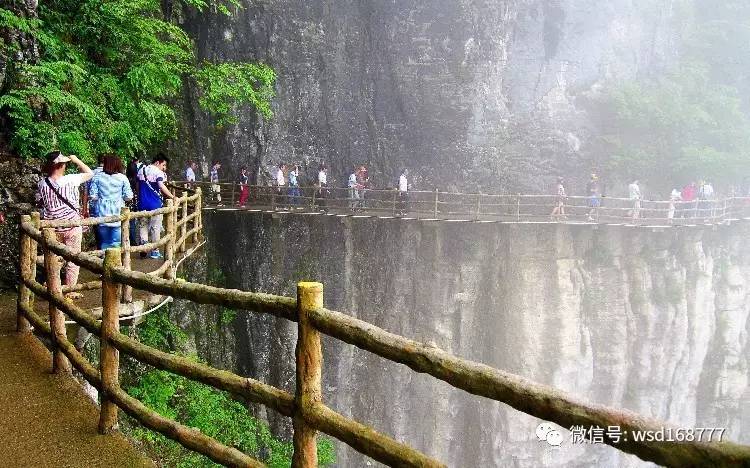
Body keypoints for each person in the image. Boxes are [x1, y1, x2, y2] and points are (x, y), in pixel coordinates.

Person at [35, 151, 94, 299]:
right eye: (65, 164)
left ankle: (52, 286)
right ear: (61, 165)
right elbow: (90, 173)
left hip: (52, 227)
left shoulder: (42, 183)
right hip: (72, 225)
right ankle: (69, 290)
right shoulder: (71, 179)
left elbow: (40, 202)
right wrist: (76, 160)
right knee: (73, 260)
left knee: (54, 258)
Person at [90, 155, 133, 249]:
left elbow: (93, 196)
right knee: (116, 242)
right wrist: (120, 198)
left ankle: (103, 261)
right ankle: (115, 262)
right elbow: (129, 197)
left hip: (102, 212)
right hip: (117, 212)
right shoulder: (122, 178)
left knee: (104, 242)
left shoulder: (97, 176)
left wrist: (102, 198)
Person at [137, 154, 175, 259]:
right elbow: (161, 185)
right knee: (155, 227)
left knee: (143, 225)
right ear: (157, 162)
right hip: (155, 204)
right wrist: (172, 197)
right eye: (164, 165)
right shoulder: (158, 172)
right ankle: (155, 251)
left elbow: (137, 186)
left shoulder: (141, 170)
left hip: (142, 203)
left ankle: (144, 246)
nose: (164, 168)